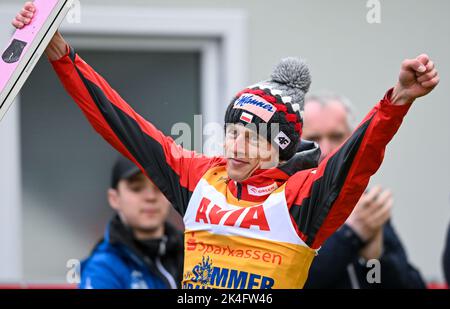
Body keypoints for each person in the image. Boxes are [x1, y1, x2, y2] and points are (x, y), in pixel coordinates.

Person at [12, 2, 440, 289]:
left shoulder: (301, 200)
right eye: (232, 131)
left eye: (252, 138)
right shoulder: (201, 178)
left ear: (278, 149)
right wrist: (62, 56)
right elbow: (120, 124)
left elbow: (357, 158)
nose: (235, 145)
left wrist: (397, 100)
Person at [302, 93, 426, 288]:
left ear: (353, 140)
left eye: (336, 137)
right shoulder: (280, 203)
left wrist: (373, 260)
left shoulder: (363, 203)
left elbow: (408, 284)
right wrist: (352, 235)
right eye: (313, 139)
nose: (326, 150)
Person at [79, 157, 184, 289]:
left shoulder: (193, 253)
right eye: (136, 188)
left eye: (159, 187)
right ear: (114, 198)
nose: (150, 197)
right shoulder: (103, 268)